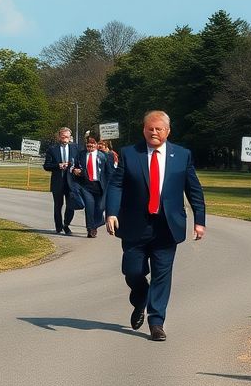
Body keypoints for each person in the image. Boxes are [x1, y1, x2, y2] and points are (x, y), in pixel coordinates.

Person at [105, 111, 206, 342]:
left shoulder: (181, 155)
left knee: (162, 274)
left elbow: (194, 189)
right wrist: (111, 213)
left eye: (159, 129)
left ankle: (156, 322)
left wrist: (200, 220)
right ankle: (140, 296)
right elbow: (116, 185)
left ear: (168, 131)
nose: (154, 132)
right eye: (150, 128)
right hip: (135, 226)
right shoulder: (130, 154)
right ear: (144, 129)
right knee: (133, 271)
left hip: (167, 227)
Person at [42, 127, 79, 235]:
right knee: (58, 205)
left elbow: (79, 162)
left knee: (71, 205)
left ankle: (66, 225)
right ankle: (58, 226)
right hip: (58, 181)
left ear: (70, 137)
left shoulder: (76, 148)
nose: (65, 139)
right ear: (59, 137)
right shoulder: (52, 149)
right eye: (63, 137)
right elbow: (46, 166)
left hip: (71, 181)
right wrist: (57, 166)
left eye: (67, 137)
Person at [71, 135, 111, 237]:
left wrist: (110, 185)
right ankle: (90, 229)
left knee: (99, 208)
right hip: (86, 185)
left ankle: (97, 224)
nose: (90, 148)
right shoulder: (81, 155)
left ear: (97, 145)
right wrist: (74, 170)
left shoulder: (103, 156)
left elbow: (109, 172)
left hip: (99, 185)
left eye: (92, 146)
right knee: (89, 207)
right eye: (88, 146)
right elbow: (74, 166)